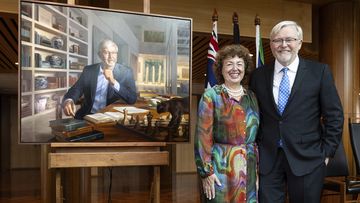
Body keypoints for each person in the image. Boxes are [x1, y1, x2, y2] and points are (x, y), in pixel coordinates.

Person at [250, 20, 344, 203]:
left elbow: (335, 115)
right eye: (278, 40)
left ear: (299, 43)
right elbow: (254, 115)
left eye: (289, 39)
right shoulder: (258, 75)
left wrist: (326, 152)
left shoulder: (319, 72)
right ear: (271, 45)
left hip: (308, 158)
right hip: (268, 159)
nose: (283, 45)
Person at [194, 44, 259, 202]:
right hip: (221, 169)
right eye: (229, 64)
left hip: (248, 169)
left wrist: (257, 171)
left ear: (245, 69)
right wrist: (206, 172)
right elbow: (203, 137)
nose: (234, 68)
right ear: (221, 69)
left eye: (239, 64)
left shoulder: (252, 97)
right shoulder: (211, 96)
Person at [62, 39, 137, 119]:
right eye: (106, 52)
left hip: (111, 118)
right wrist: (69, 100)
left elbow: (132, 99)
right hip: (88, 115)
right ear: (99, 54)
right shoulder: (89, 70)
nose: (111, 57)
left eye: (113, 53)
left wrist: (113, 82)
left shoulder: (126, 72)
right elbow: (77, 89)